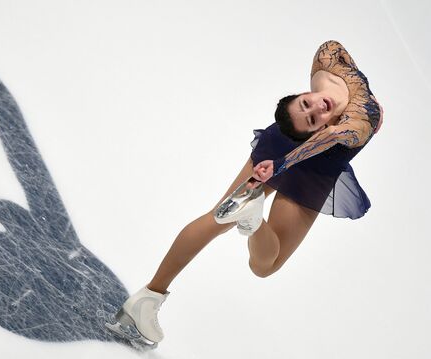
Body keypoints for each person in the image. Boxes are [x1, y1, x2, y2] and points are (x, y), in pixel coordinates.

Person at [107, 40, 384, 346]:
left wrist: (279, 160)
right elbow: (329, 135)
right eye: (309, 113)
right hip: (311, 168)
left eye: (311, 109)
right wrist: (281, 164)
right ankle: (254, 221)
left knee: (217, 219)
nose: (318, 108)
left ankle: (149, 296)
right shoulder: (360, 119)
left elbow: (332, 49)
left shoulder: (327, 62)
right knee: (264, 265)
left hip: (283, 147)